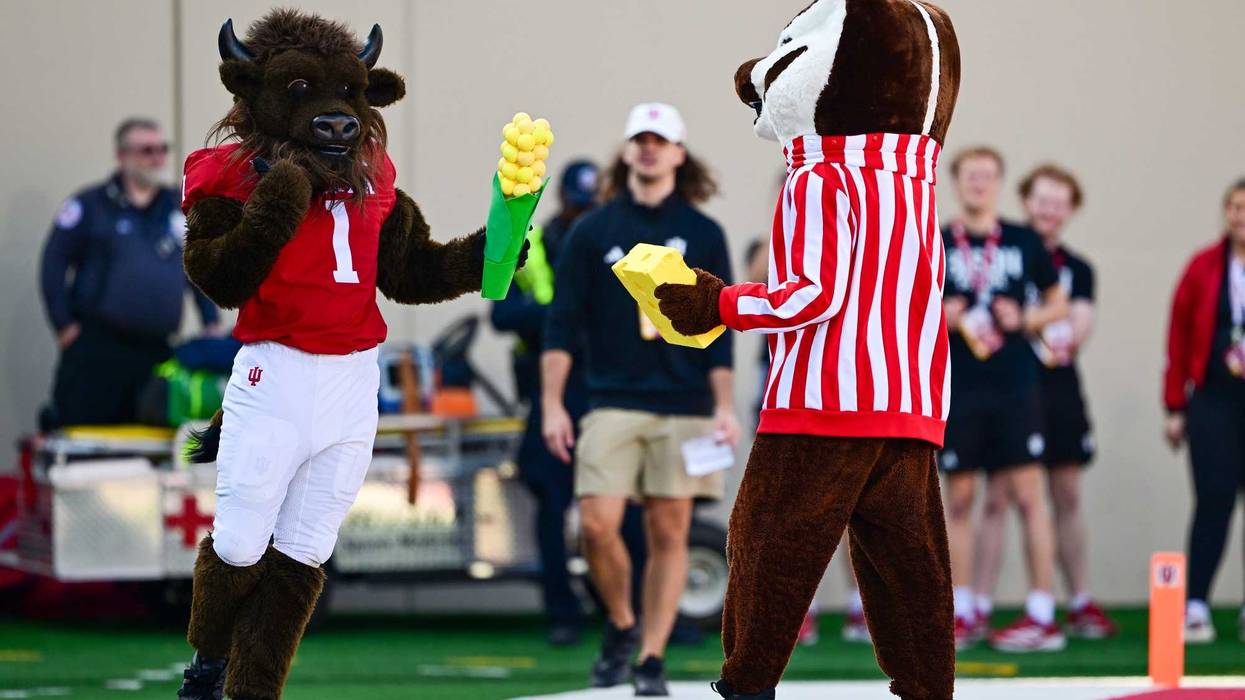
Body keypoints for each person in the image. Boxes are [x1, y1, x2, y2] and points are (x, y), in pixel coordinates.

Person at [542, 102, 738, 696]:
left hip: (684, 403)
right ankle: (623, 625)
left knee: (669, 532)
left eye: (661, 141)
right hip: (611, 398)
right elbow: (561, 322)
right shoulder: (592, 229)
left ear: (680, 153)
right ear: (627, 151)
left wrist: (724, 407)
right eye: (640, 140)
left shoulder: (704, 233)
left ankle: (651, 657)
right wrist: (553, 403)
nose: (649, 149)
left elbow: (719, 332)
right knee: (597, 525)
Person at [938, 146, 1069, 652]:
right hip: (957, 386)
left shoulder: (1022, 238)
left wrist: (1027, 319)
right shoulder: (934, 238)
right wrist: (940, 315)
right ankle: (962, 609)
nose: (979, 184)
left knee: (1028, 496)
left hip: (1016, 386)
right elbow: (904, 304)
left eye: (988, 176)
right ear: (955, 181)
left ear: (999, 183)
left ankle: (1041, 612)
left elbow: (1056, 302)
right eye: (970, 176)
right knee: (961, 498)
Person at [38, 117, 220, 428]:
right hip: (98, 351)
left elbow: (195, 266)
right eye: (146, 150)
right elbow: (53, 262)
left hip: (157, 351)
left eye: (162, 149)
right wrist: (64, 326)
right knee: (89, 438)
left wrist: (210, 320)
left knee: (147, 445)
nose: (157, 158)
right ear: (122, 156)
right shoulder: (91, 205)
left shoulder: (177, 208)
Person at [490, 160, 602, 646]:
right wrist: (558, 317)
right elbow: (502, 313)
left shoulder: (610, 242)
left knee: (613, 506)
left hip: (602, 389)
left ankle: (620, 602)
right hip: (548, 389)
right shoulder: (534, 245)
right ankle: (562, 609)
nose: (582, 216)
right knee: (552, 504)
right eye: (577, 205)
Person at [1015, 164, 1117, 638]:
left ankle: (1080, 598)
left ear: (1071, 211)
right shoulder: (1009, 253)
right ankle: (1024, 604)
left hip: (1060, 391)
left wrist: (1025, 318)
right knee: (1010, 497)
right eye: (1041, 200)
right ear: (1025, 201)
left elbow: (1074, 331)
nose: (1049, 210)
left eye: (1059, 203)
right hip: (1012, 389)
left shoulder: (1078, 269)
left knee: (1067, 495)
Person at [1164, 177, 1245, 645]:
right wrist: (1175, 406)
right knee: (1213, 500)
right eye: (1233, 206)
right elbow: (1176, 336)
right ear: (1225, 213)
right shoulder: (1203, 266)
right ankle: (1195, 604)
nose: (1240, 215)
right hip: (1213, 401)